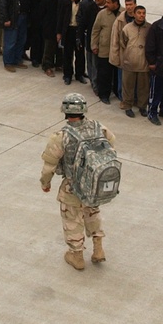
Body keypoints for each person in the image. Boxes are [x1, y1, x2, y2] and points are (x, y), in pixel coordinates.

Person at [40, 93, 116, 271]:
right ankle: (98, 248)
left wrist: (45, 184)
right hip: (94, 185)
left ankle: (77, 256)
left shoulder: (60, 137)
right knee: (92, 212)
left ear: (65, 112)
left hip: (73, 187)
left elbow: (49, 167)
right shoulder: (99, 128)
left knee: (72, 219)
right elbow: (111, 147)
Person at [113, 5, 150, 118]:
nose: (141, 15)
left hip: (144, 63)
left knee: (143, 88)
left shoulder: (149, 28)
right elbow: (122, 43)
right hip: (129, 63)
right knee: (128, 87)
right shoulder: (127, 28)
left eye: (143, 13)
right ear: (134, 14)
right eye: (139, 13)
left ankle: (142, 107)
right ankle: (127, 106)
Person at [91, 0, 121, 104]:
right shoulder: (102, 14)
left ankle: (117, 92)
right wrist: (94, 45)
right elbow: (95, 31)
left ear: (116, 3)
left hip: (118, 50)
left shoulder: (123, 14)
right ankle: (104, 94)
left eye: (109, 2)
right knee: (104, 73)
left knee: (117, 74)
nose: (106, 4)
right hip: (104, 49)